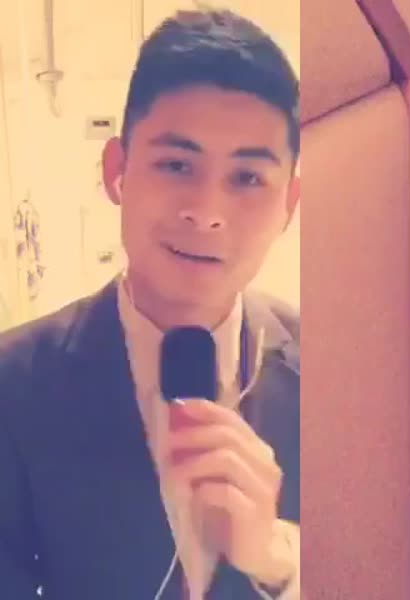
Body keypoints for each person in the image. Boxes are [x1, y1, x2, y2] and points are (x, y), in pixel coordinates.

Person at [0, 8, 300, 600]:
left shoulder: (342, 375)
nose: (206, 212)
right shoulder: (13, 384)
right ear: (117, 171)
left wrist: (278, 561)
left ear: (289, 204)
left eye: (247, 178)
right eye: (177, 165)